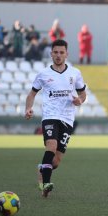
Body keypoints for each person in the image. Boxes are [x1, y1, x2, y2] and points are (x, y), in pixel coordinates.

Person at [24, 39, 87, 198]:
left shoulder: (75, 73)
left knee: (56, 161)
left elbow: (82, 93)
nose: (58, 55)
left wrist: (80, 100)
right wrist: (28, 108)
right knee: (50, 147)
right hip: (50, 117)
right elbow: (32, 94)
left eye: (61, 52)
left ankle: (42, 169)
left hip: (67, 118)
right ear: (51, 53)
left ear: (67, 54)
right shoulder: (44, 74)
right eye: (55, 52)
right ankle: (45, 184)